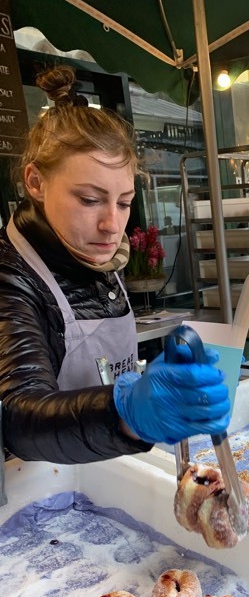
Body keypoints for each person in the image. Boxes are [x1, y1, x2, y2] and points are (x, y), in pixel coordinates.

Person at [0, 66, 231, 464]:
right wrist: (126, 413)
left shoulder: (97, 254)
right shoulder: (11, 276)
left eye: (124, 202)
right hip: (35, 488)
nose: (112, 224)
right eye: (89, 200)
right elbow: (17, 415)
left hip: (112, 466)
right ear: (36, 183)